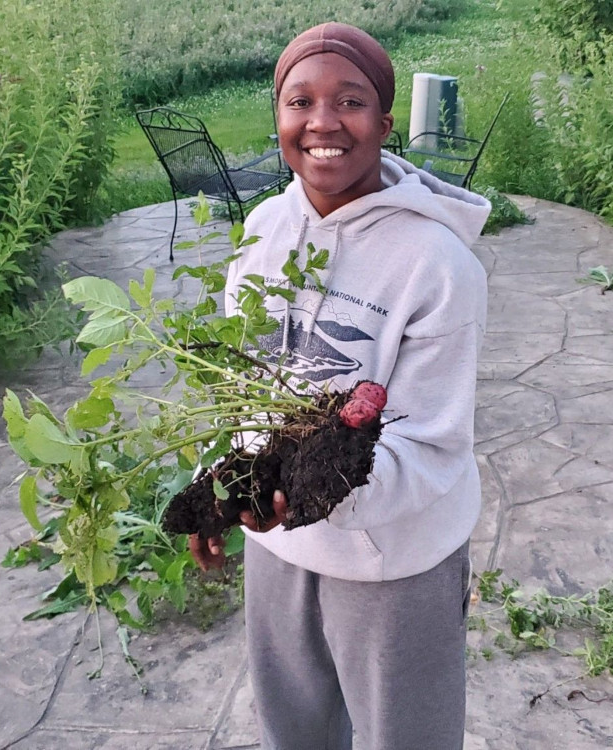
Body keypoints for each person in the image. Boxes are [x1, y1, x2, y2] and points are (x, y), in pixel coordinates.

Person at [188, 21, 490, 750]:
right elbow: (244, 384)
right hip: (281, 547)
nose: (323, 122)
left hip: (394, 558)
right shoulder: (262, 230)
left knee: (403, 736)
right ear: (279, 119)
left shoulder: (436, 264)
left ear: (385, 124)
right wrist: (221, 484)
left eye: (350, 102)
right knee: (295, 731)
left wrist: (320, 492)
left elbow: (430, 443)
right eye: (301, 102)